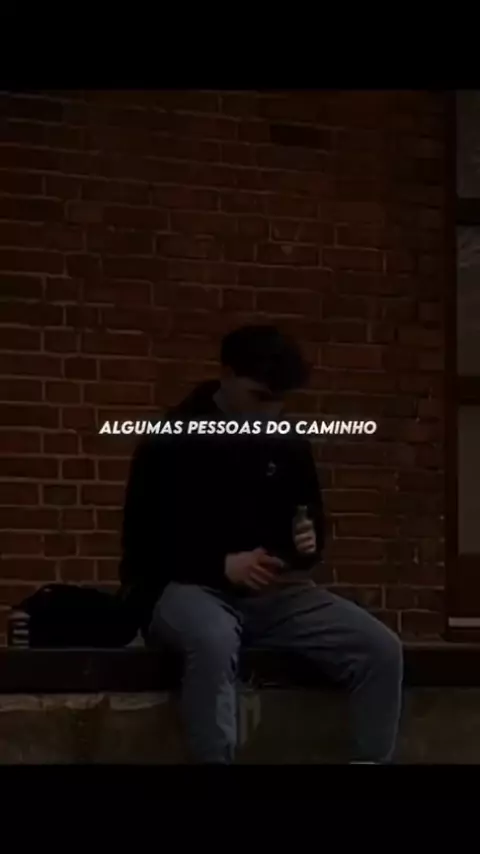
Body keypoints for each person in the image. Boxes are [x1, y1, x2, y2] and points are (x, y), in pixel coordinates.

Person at [119, 324, 403, 764]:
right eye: (257, 397)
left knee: (381, 650)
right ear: (227, 375)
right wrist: (220, 565)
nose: (267, 413)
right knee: (213, 639)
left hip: (274, 594)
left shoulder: (286, 441)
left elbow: (309, 525)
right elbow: (143, 547)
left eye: (277, 401)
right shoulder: (171, 440)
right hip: (187, 588)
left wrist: (305, 543)